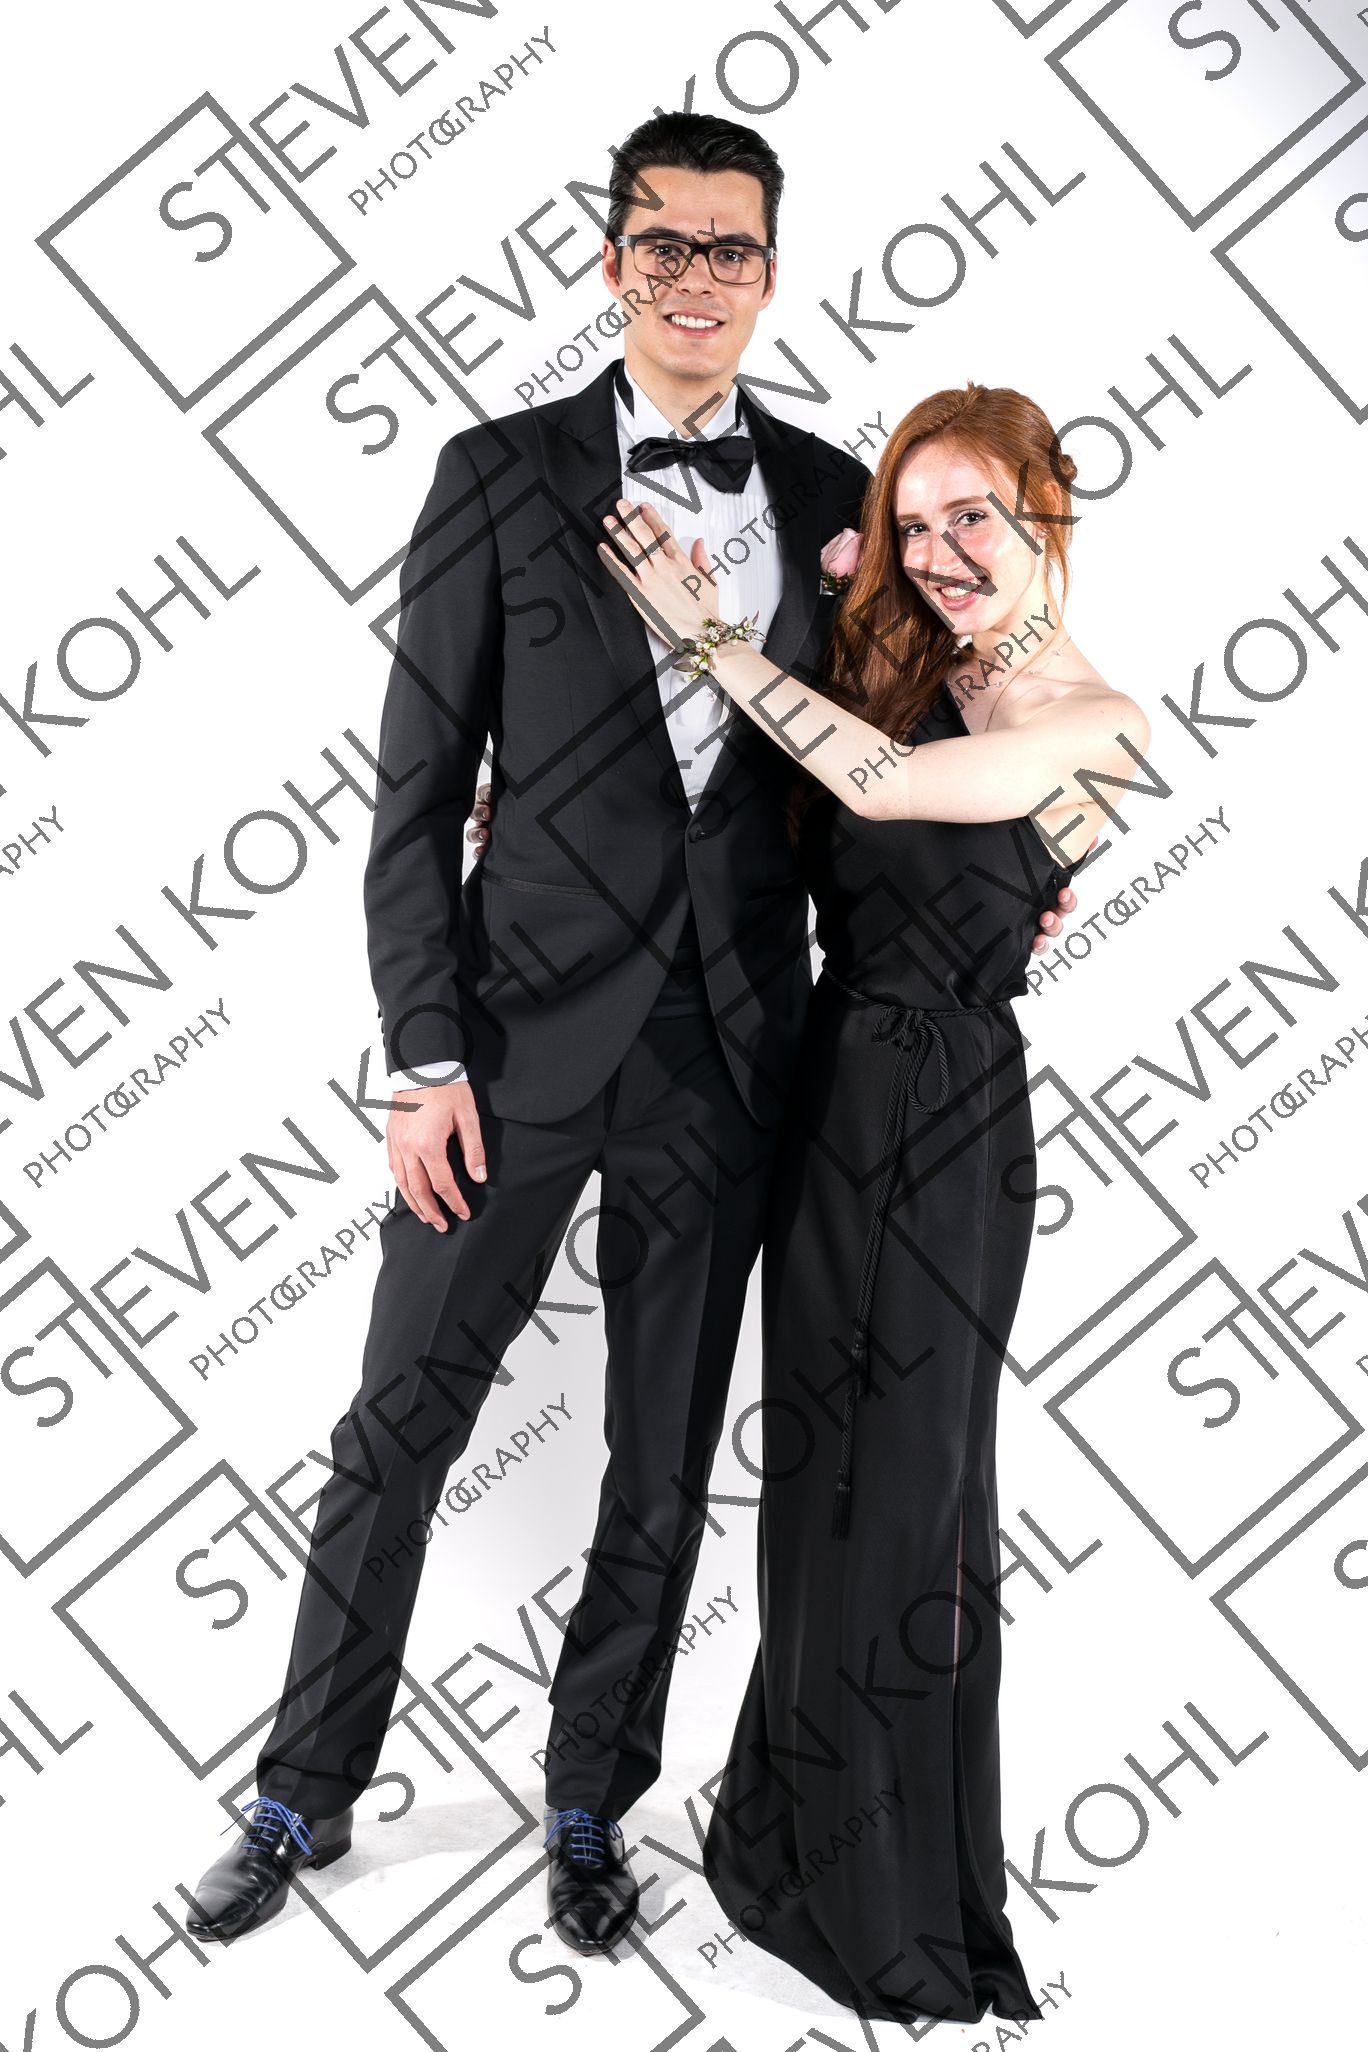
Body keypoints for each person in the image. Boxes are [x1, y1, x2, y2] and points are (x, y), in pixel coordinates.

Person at [183, 111, 1077, 1952]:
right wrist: (424, 1056)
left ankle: (593, 1796)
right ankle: (299, 1790)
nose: (695, 277)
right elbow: (415, 796)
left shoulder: (835, 500)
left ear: (771, 273)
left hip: (735, 1059)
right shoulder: (497, 475)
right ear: (612, 263)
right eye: (662, 243)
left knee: (661, 1464)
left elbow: (918, 739)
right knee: (398, 1430)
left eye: (730, 247)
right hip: (507, 1053)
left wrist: (1027, 865)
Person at [589, 383, 1146, 2023]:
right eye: (914, 523)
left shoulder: (1102, 721)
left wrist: (711, 636)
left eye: (974, 515)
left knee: (915, 1498)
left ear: (1047, 514)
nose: (940, 549)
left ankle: (905, 1894)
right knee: (822, 1478)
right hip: (833, 1095)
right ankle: (789, 1833)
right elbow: (788, 819)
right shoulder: (909, 673)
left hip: (951, 1124)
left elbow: (894, 796)